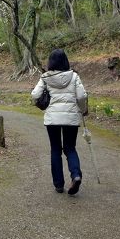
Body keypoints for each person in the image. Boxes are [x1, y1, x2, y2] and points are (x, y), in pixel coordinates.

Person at [31, 49, 88, 195]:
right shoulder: (74, 76)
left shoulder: (45, 77)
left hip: (52, 119)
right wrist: (83, 110)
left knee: (55, 149)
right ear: (65, 61)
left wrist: (40, 102)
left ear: (51, 62)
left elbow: (35, 94)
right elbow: (81, 96)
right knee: (70, 148)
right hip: (71, 118)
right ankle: (76, 175)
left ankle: (58, 184)